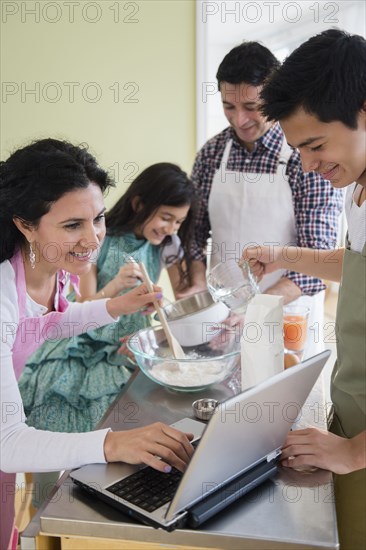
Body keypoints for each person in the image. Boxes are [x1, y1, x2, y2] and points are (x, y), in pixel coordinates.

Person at [0, 139, 194, 550]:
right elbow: (7, 442)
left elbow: (43, 326)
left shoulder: (48, 266)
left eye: (99, 219)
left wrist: (114, 307)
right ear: (26, 224)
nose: (93, 240)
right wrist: (112, 442)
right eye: (73, 225)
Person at [243, 29, 365, 550]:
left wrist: (354, 453)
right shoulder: (358, 187)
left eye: (316, 145)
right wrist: (286, 255)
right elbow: (357, 267)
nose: (310, 164)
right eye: (299, 150)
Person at [185, 41, 343, 357]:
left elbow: (317, 257)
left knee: (285, 398)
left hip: (287, 315)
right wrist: (197, 288)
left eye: (250, 107)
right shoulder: (211, 155)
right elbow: (193, 234)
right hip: (223, 316)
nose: (239, 119)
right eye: (229, 106)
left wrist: (255, 309)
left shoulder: (307, 155)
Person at [19, 162, 197, 435]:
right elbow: (84, 302)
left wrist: (157, 331)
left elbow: (182, 301)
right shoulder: (98, 238)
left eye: (179, 221)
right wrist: (115, 286)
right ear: (139, 204)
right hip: (84, 343)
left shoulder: (167, 246)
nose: (171, 228)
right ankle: (65, 476)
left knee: (155, 413)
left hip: (131, 346)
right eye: (166, 217)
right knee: (81, 419)